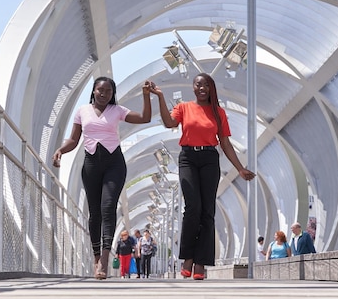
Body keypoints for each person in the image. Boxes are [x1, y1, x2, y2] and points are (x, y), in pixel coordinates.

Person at [149, 73, 255, 280]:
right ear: (193, 87)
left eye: (206, 85)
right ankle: (187, 258)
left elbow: (224, 143)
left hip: (209, 158)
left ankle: (200, 264)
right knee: (192, 208)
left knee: (207, 211)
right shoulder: (184, 108)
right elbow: (170, 123)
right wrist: (160, 97)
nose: (202, 88)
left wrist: (240, 168)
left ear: (211, 88)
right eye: (199, 84)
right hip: (188, 157)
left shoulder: (218, 112)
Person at [52, 77, 155, 279]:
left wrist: (145, 96)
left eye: (108, 91)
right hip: (91, 165)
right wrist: (60, 151)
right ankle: (96, 257)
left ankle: (105, 260)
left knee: (107, 207)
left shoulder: (117, 111)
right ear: (94, 91)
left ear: (112, 93)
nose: (103, 94)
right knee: (95, 213)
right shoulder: (82, 111)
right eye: (100, 90)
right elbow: (74, 140)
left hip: (114, 165)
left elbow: (144, 118)